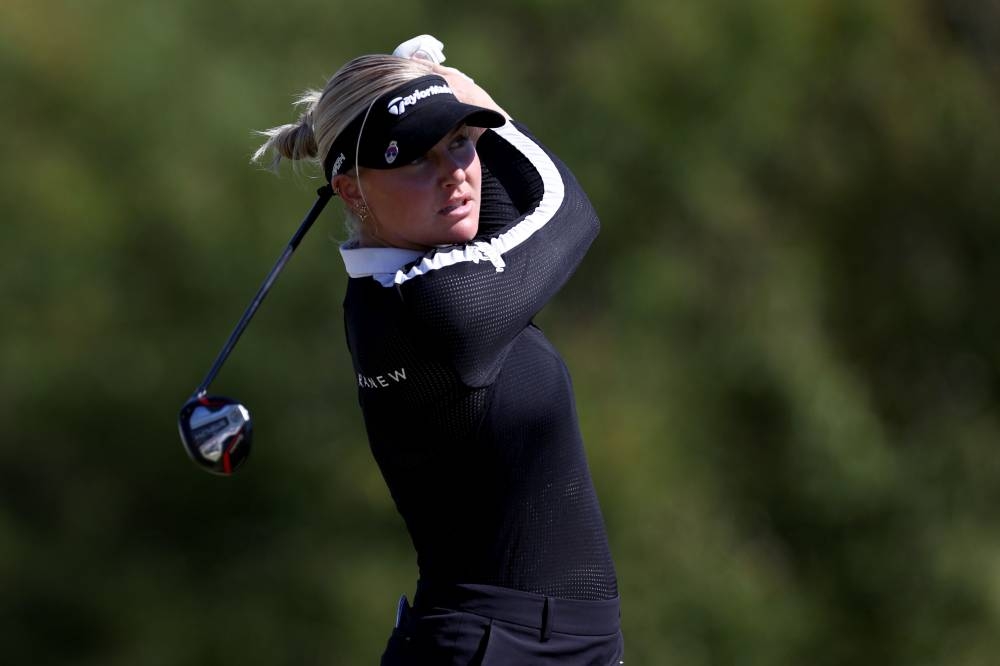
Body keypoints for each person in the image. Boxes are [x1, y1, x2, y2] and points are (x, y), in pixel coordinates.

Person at [254, 35, 623, 665]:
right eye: (417, 160)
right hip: (493, 648)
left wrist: (439, 95)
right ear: (351, 191)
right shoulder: (431, 304)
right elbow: (566, 209)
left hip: (549, 645)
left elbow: (505, 196)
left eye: (458, 143)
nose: (455, 175)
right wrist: (466, 91)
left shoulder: (433, 267)